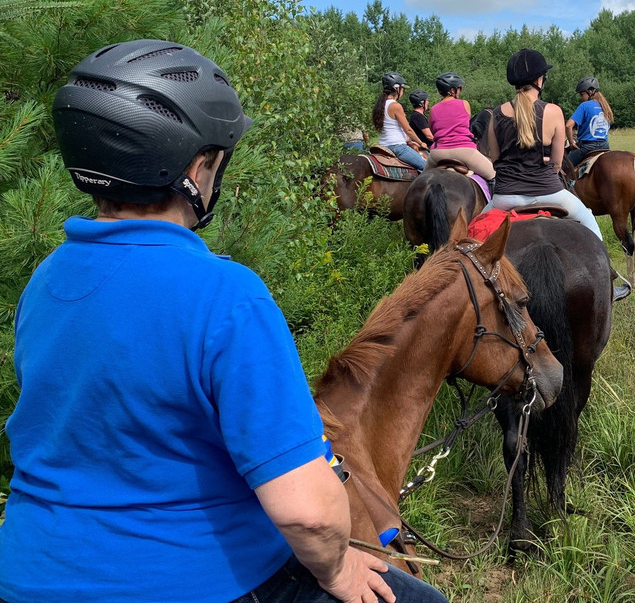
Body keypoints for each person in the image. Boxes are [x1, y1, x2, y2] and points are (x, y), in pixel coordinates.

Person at [0, 40, 447, 603]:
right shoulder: (225, 294)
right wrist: (336, 572)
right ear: (196, 167)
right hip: (184, 580)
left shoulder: (46, 280)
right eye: (217, 160)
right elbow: (308, 514)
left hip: (27, 573)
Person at [482, 49, 629, 301]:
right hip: (551, 194)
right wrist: (544, 161)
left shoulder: (495, 114)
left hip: (505, 198)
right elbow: (559, 162)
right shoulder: (553, 111)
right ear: (540, 80)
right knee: (589, 221)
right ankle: (608, 281)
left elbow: (495, 160)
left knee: (471, 235)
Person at [424, 72, 495, 180]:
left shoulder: (433, 109)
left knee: (421, 181)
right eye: (459, 88)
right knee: (494, 176)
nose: (460, 90)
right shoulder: (464, 104)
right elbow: (466, 124)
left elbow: (433, 131)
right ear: (452, 90)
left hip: (438, 154)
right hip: (465, 151)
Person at [372, 72, 426, 170]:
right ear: (397, 88)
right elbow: (408, 130)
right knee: (427, 167)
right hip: (397, 147)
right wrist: (421, 143)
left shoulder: (381, 105)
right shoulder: (395, 106)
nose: (403, 91)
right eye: (403, 88)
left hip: (383, 146)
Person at [565, 75, 613, 168]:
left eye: (582, 94)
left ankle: (570, 182)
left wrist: (572, 142)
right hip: (605, 146)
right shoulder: (606, 107)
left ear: (590, 92)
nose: (581, 97)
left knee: (563, 167)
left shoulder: (585, 105)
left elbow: (568, 125)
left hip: (587, 147)